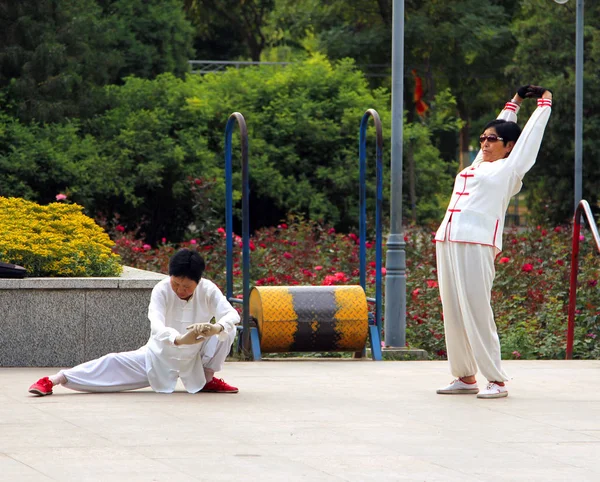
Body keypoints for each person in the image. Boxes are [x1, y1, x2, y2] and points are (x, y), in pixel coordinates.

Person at [434, 85, 553, 399]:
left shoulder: (510, 169)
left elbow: (528, 140)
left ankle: (496, 380)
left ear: (509, 146)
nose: (485, 143)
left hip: (476, 243)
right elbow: (502, 128)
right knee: (454, 309)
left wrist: (544, 104)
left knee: (476, 308)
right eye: (483, 138)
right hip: (447, 239)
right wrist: (513, 103)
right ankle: (465, 376)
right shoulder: (477, 166)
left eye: (492, 140)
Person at [28, 248, 240, 396]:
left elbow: (232, 315)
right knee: (112, 362)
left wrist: (215, 328)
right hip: (160, 355)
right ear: (170, 277)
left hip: (196, 354)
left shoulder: (208, 289)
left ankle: (206, 378)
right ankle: (54, 380)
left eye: (186, 286)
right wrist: (180, 339)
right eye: (176, 284)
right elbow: (156, 324)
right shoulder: (161, 289)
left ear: (198, 281)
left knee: (228, 331)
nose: (180, 290)